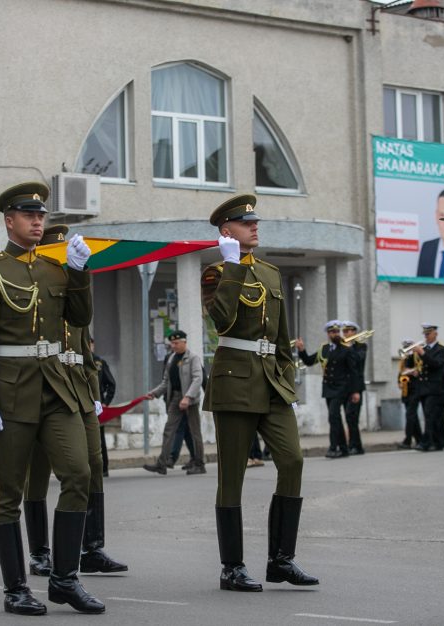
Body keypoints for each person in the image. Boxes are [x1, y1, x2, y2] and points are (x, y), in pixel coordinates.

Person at [0, 181, 101, 616]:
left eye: (41, 215)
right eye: (29, 215)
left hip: (57, 387)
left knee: (79, 474)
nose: (38, 221)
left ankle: (63, 579)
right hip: (11, 392)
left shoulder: (54, 270)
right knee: (8, 492)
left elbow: (79, 319)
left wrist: (80, 272)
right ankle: (16, 587)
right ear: (10, 220)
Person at [201, 194, 317, 593]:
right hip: (235, 381)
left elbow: (281, 337)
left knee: (293, 459)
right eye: (245, 222)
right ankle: (231, 567)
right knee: (231, 477)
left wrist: (288, 378)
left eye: (255, 222)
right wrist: (232, 265)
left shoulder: (270, 273)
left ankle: (281, 559)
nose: (254, 226)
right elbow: (223, 321)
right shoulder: (216, 272)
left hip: (271, 382)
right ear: (226, 231)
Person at [23, 224, 127, 580]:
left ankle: (91, 547)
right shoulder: (36, 296)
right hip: (43, 387)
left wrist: (95, 395)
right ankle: (39, 552)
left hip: (80, 390)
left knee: (92, 467)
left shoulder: (78, 293)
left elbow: (86, 355)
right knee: (36, 473)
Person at [143, 330, 206, 475]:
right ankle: (162, 464)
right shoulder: (171, 359)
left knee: (195, 432)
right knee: (168, 431)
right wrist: (154, 393)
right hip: (175, 399)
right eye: (172, 343)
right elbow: (166, 382)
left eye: (176, 343)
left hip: (190, 400)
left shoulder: (193, 358)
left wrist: (188, 397)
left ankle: (199, 464)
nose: (173, 345)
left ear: (184, 342)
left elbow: (198, 379)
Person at [296, 321, 357, 459]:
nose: (335, 334)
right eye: (332, 332)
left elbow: (353, 372)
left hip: (342, 387)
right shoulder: (324, 349)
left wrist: (355, 391)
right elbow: (309, 361)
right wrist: (301, 350)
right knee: (335, 418)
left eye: (337, 331)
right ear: (328, 334)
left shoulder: (346, 349)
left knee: (333, 416)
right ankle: (343, 448)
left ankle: (333, 447)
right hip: (328, 387)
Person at [412, 324, 444, 452]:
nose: (426, 337)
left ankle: (426, 442)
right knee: (430, 416)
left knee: (430, 415)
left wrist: (422, 352)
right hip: (423, 388)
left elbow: (436, 364)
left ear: (435, 334)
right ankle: (438, 442)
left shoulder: (441, 349)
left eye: (428, 334)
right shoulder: (425, 349)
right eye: (425, 334)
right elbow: (423, 367)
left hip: (435, 388)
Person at [89, 337, 115, 477]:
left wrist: (106, 402)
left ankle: (103, 468)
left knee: (99, 438)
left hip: (97, 406)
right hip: (82, 405)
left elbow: (111, 384)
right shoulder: (75, 360)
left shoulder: (99, 362)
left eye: (90, 344)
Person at [341, 320, 367, 455]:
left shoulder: (361, 346)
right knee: (349, 417)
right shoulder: (342, 347)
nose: (346, 333)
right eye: (344, 331)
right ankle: (355, 445)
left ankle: (356, 446)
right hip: (344, 387)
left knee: (352, 417)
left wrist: (349, 346)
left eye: (348, 331)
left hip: (356, 387)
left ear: (355, 332)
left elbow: (358, 361)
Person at [396, 339, 423, 449]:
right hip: (406, 390)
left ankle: (407, 440)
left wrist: (411, 371)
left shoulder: (416, 356)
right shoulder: (405, 358)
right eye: (405, 346)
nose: (406, 349)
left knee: (410, 415)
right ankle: (419, 439)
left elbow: (419, 370)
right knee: (413, 416)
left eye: (408, 346)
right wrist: (399, 381)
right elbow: (401, 372)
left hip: (415, 389)